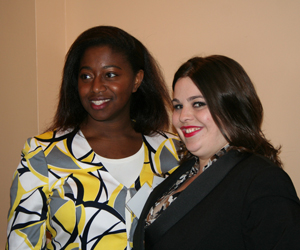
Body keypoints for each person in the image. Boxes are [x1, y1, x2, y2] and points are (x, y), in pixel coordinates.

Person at [6, 26, 180, 250]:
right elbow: (22, 244)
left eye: (110, 75)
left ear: (137, 80)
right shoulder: (43, 154)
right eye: (86, 76)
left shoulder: (172, 151)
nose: (96, 87)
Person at [133, 55, 300, 250]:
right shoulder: (181, 174)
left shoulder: (262, 180)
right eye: (178, 106)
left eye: (198, 103)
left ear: (232, 106)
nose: (183, 117)